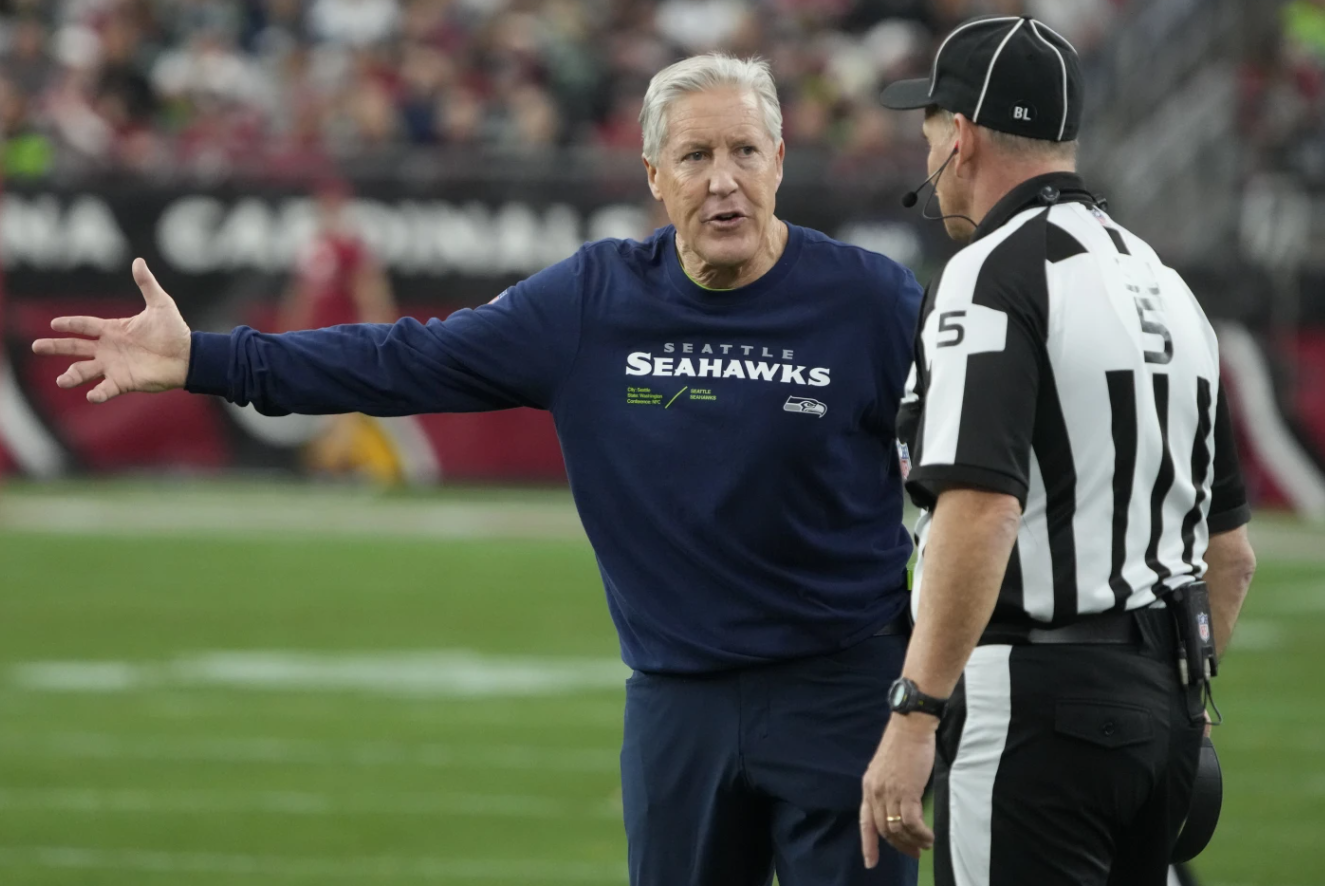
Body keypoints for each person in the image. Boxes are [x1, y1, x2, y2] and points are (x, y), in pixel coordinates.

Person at [33, 55, 924, 886]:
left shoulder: (872, 300)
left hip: (842, 695)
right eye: (694, 155)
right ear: (654, 176)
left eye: (743, 151)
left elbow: (971, 475)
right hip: (675, 704)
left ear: (779, 159)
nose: (722, 179)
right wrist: (204, 359)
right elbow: (402, 360)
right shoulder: (592, 300)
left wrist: (929, 693)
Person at [859, 15, 1258, 886]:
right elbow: (1228, 555)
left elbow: (980, 508)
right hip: (1163, 702)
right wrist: (1176, 709)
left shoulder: (989, 274)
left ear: (958, 136)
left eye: (929, 124)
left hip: (1029, 699)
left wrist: (915, 712)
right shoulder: (1164, 283)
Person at [280, 178, 405, 484]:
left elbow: (368, 290)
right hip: (319, 337)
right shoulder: (315, 247)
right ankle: (333, 467)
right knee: (332, 409)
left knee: (341, 409)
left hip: (343, 337)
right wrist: (290, 329)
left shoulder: (349, 248)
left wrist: (381, 327)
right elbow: (303, 295)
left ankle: (334, 468)